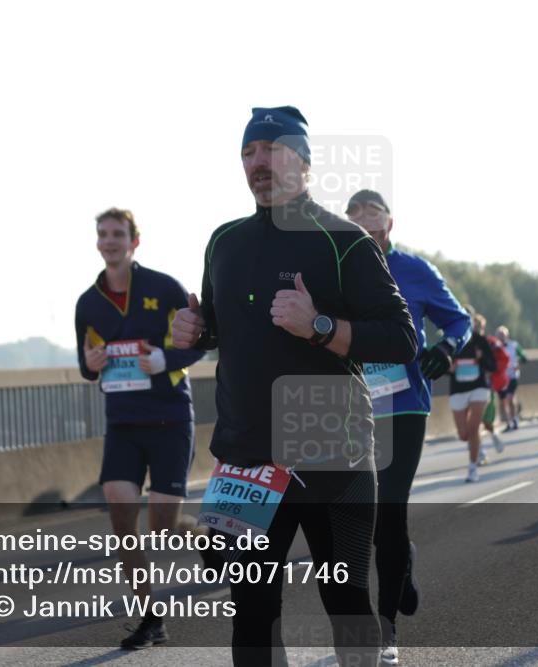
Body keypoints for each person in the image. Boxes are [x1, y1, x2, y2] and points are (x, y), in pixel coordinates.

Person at [171, 106, 417, 667]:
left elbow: (401, 337)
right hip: (247, 455)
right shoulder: (224, 242)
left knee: (348, 604)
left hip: (335, 451)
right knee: (252, 614)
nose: (258, 162)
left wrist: (320, 327)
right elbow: (217, 325)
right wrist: (196, 330)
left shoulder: (343, 239)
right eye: (248, 153)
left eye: (271, 149)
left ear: (304, 163)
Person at [347, 189, 470, 664]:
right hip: (354, 407)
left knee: (390, 507)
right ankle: (403, 561)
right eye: (355, 222)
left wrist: (447, 348)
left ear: (389, 225)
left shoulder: (415, 271)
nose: (365, 228)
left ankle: (386, 629)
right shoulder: (334, 271)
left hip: (405, 405)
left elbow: (458, 322)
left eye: (372, 220)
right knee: (369, 517)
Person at [74, 207, 206, 650]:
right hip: (123, 423)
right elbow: (87, 364)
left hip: (170, 418)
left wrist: (165, 359)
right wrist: (91, 365)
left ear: (135, 242)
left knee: (163, 526)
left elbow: (200, 342)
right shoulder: (88, 303)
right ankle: (150, 616)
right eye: (103, 234)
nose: (109, 241)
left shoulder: (164, 288)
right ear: (97, 243)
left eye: (118, 234)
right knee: (121, 510)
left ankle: (208, 537)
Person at [449, 314, 498, 484]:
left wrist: (481, 358)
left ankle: (472, 468)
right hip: (458, 390)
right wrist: (449, 366)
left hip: (478, 389)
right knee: (464, 435)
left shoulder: (480, 340)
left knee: (473, 427)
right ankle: (478, 445)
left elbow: (493, 366)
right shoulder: (452, 340)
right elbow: (443, 365)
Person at [495, 326, 526, 431]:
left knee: (510, 398)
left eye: (503, 335)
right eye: (499, 335)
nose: (501, 337)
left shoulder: (514, 345)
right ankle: (508, 423)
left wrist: (518, 364)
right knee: (503, 401)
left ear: (507, 335)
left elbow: (524, 357)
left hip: (512, 376)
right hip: (500, 377)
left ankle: (514, 419)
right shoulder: (494, 347)